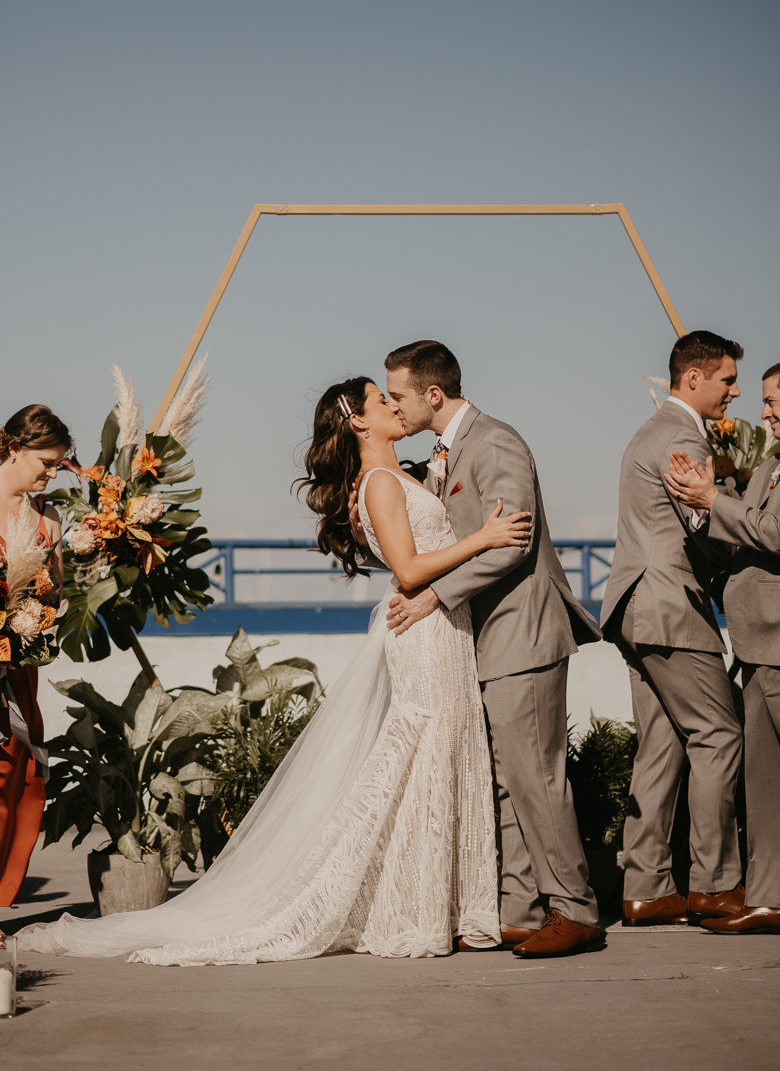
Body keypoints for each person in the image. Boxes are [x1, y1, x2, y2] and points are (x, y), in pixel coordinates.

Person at [14, 377, 531, 962]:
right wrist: (486, 536)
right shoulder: (382, 484)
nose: (391, 403)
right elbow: (410, 570)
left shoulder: (397, 476)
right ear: (358, 422)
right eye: (379, 399)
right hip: (425, 635)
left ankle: (442, 904)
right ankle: (415, 909)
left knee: (437, 759)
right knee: (427, 758)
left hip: (439, 632)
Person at [373, 340, 604, 958]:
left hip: (522, 634)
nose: (393, 406)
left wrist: (434, 597)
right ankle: (520, 909)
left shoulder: (496, 442)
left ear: (432, 393)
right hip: (489, 640)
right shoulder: (442, 455)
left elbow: (512, 544)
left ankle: (575, 909)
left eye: (396, 395)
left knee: (536, 776)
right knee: (508, 779)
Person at [600, 330, 744, 928]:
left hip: (635, 606)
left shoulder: (651, 432)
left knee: (661, 745)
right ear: (693, 378)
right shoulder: (684, 436)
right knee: (718, 735)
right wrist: (737, 493)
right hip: (669, 606)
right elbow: (705, 525)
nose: (734, 392)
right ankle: (715, 883)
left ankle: (647, 885)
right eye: (728, 380)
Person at [665, 355, 780, 937]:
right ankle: (776, 896)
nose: (763, 412)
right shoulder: (772, 463)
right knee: (766, 780)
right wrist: (707, 499)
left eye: (774, 401)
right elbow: (745, 533)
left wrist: (712, 500)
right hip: (756, 637)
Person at [0, 405, 69, 920]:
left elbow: (56, 595)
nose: (50, 473)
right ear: (14, 449)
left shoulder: (47, 518)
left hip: (20, 672)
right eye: (45, 462)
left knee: (22, 781)